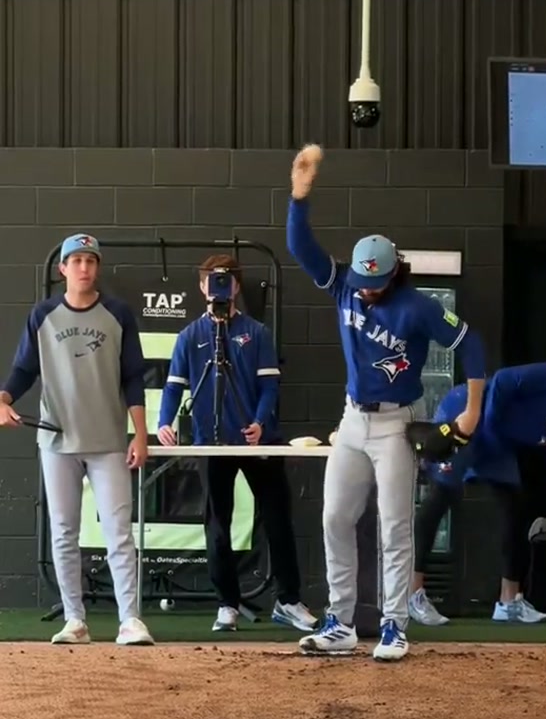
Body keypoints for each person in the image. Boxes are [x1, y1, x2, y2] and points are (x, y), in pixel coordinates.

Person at [286, 143, 487, 661]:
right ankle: (341, 622)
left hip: (399, 424)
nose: (367, 291)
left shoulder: (417, 307)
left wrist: (473, 408)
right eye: (362, 282)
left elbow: (472, 343)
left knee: (394, 524)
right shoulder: (346, 289)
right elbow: (300, 247)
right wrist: (300, 195)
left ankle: (395, 624)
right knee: (335, 517)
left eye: (375, 283)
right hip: (352, 421)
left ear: (393, 272)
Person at [0, 232, 154, 646]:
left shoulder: (118, 314)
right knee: (64, 531)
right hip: (56, 442)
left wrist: (139, 436)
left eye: (91, 261)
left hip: (107, 442)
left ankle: (130, 621)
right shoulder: (43, 315)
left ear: (97, 268)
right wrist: (3, 399)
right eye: (77, 261)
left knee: (118, 532)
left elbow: (133, 379)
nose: (84, 268)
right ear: (63, 269)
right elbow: (22, 370)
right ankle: (75, 620)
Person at [157, 253, 317, 634]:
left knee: (277, 520)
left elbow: (269, 386)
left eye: (225, 281)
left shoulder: (256, 333)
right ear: (201, 286)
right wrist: (164, 422)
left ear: (236, 285)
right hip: (212, 444)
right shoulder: (190, 337)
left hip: (258, 442)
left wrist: (260, 423)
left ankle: (288, 600)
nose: (218, 289)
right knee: (217, 526)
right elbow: (174, 387)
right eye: (211, 281)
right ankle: (227, 604)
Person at [409, 360, 546, 625]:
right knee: (442, 494)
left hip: (497, 442)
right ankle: (413, 594)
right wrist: (489, 431)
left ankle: (508, 602)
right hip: (471, 411)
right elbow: (504, 380)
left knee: (516, 511)